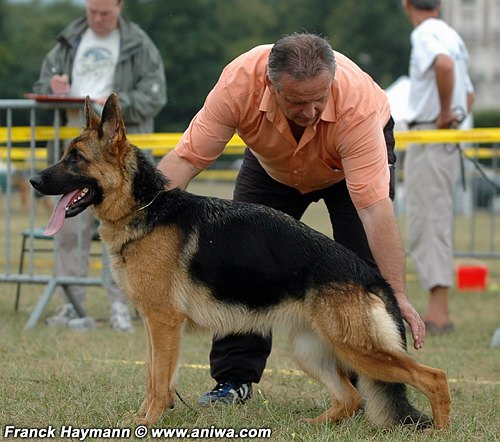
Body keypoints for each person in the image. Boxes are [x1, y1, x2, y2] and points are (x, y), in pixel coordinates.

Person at [157, 32, 426, 405]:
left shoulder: (357, 105)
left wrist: (396, 294)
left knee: (359, 273)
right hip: (273, 167)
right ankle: (233, 381)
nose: (312, 111)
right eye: (298, 102)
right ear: (271, 85)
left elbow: (374, 208)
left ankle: (369, 388)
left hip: (345, 170)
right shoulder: (239, 83)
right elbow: (187, 160)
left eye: (320, 99)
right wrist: (143, 221)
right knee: (238, 260)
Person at [33, 0, 166, 331]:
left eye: (104, 13)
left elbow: (154, 95)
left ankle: (121, 304)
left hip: (118, 161)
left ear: (120, 6)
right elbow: (40, 85)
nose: (97, 18)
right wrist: (52, 88)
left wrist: (113, 109)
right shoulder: (69, 39)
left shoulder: (140, 44)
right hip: (75, 154)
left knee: (124, 233)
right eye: (92, 11)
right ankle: (72, 306)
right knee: (67, 229)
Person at [402, 0, 474, 335]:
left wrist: (443, 114)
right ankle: (439, 308)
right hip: (446, 137)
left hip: (431, 133)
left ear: (406, 4)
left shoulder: (426, 34)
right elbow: (469, 96)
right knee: (436, 220)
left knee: (427, 221)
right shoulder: (451, 34)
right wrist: (453, 115)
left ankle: (438, 313)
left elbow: (443, 66)